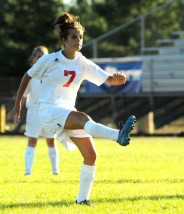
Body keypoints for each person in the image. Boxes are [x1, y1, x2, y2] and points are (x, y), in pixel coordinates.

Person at [9, 12, 136, 206]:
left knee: (91, 155)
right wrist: (18, 104)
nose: (78, 41)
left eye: (81, 37)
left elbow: (107, 78)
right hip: (49, 111)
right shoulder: (50, 60)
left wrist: (116, 79)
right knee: (83, 117)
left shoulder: (82, 62)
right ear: (64, 40)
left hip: (67, 113)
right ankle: (118, 135)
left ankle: (82, 199)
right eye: (74, 37)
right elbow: (27, 76)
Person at [23, 45, 59, 175]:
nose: (41, 59)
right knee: (32, 139)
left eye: (44, 57)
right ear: (33, 59)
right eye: (38, 57)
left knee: (51, 140)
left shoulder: (53, 74)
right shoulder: (30, 75)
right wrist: (17, 109)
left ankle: (55, 171)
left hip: (49, 111)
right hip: (34, 111)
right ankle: (28, 171)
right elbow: (23, 94)